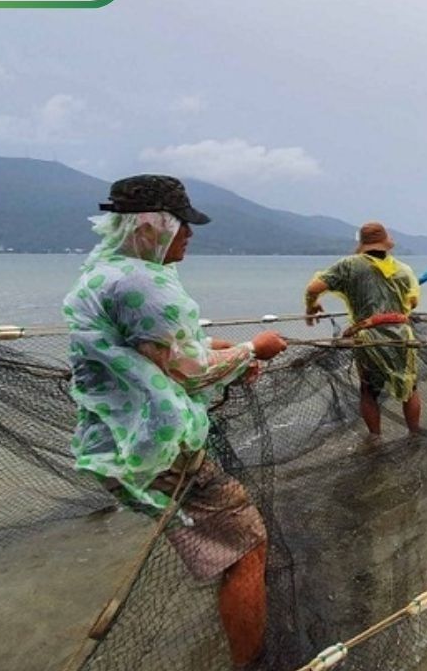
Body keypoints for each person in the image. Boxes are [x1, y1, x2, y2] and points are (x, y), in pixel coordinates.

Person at [64, 175, 288, 668]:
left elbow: (152, 356)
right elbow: (186, 375)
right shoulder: (144, 284)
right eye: (182, 225)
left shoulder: (107, 273)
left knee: (225, 542)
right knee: (248, 544)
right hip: (154, 449)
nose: (189, 234)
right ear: (152, 227)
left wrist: (215, 349)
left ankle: (232, 628)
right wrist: (255, 348)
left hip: (116, 443)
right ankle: (249, 663)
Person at [305, 222, 423, 435]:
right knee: (410, 388)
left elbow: (313, 288)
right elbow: (412, 303)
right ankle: (414, 434)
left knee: (369, 391)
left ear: (362, 242)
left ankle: (375, 439)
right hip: (401, 335)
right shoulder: (403, 270)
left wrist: (311, 306)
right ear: (386, 240)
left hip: (368, 337)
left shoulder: (349, 265)